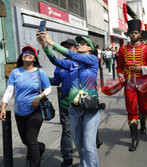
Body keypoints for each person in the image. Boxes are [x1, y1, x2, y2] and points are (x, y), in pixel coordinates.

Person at [36, 30, 100, 167]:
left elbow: (71, 54)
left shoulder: (92, 60)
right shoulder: (72, 64)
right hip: (73, 109)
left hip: (90, 109)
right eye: (79, 43)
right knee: (79, 144)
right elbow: (55, 60)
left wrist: (51, 42)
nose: (79, 44)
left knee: (89, 146)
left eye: (83, 43)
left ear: (90, 48)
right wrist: (44, 46)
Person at [0, 46, 51, 167]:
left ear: (34, 58)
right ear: (21, 57)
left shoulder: (39, 72)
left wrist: (39, 97)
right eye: (25, 52)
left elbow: (48, 88)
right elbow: (9, 91)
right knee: (26, 141)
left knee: (31, 141)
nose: (27, 54)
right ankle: (41, 147)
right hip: (19, 112)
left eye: (30, 53)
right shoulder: (15, 72)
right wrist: (3, 107)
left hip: (35, 111)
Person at [116, 3, 147, 151]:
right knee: (131, 110)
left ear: (139, 33)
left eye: (135, 33)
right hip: (129, 84)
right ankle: (134, 139)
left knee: (144, 108)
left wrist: (142, 68)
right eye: (131, 33)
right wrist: (120, 75)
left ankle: (144, 123)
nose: (133, 35)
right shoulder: (122, 49)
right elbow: (119, 66)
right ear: (128, 34)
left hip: (144, 83)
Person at [50, 39, 77, 167]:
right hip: (65, 102)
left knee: (83, 128)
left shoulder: (81, 62)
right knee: (67, 130)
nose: (66, 50)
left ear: (76, 48)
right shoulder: (60, 65)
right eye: (64, 47)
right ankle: (67, 157)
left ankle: (90, 147)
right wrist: (42, 78)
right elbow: (55, 81)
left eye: (69, 47)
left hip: (81, 102)